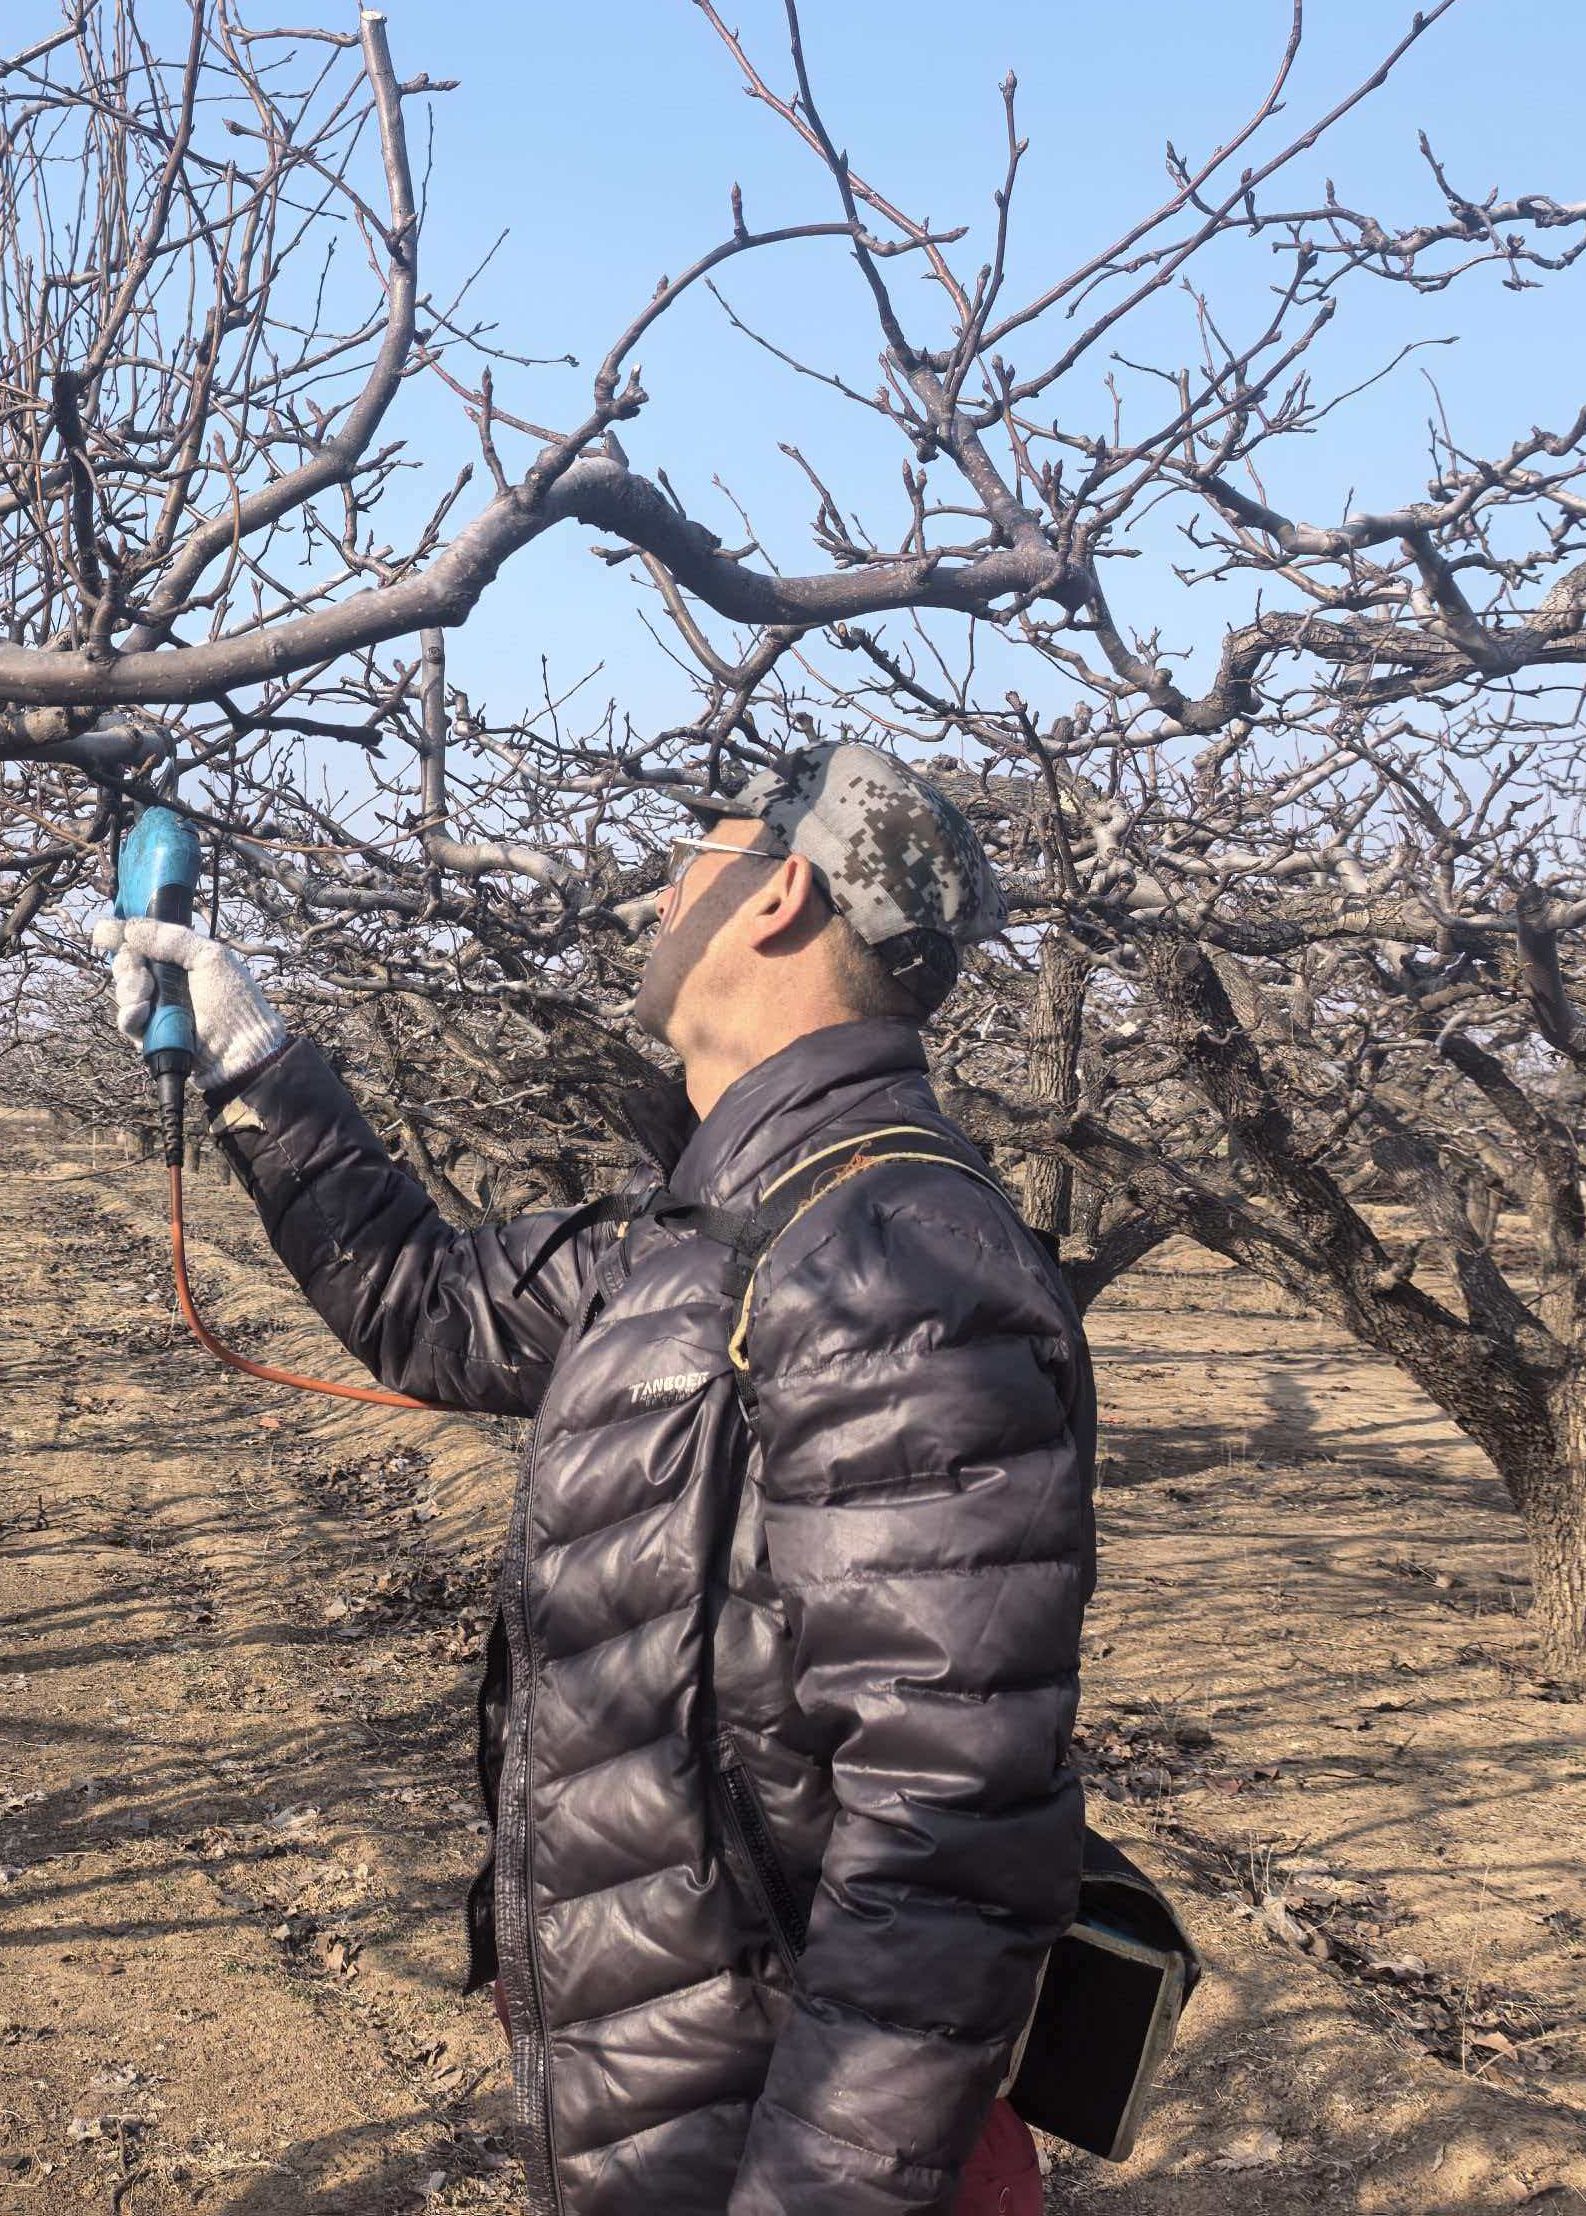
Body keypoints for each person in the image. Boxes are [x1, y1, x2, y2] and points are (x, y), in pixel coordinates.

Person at [90, 745, 1089, 2216]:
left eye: (699, 859)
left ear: (780, 895)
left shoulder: (895, 1266)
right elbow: (429, 1305)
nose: (661, 895)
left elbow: (949, 1825)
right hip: (677, 2062)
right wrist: (254, 1062)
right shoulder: (714, 1227)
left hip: (769, 2106)